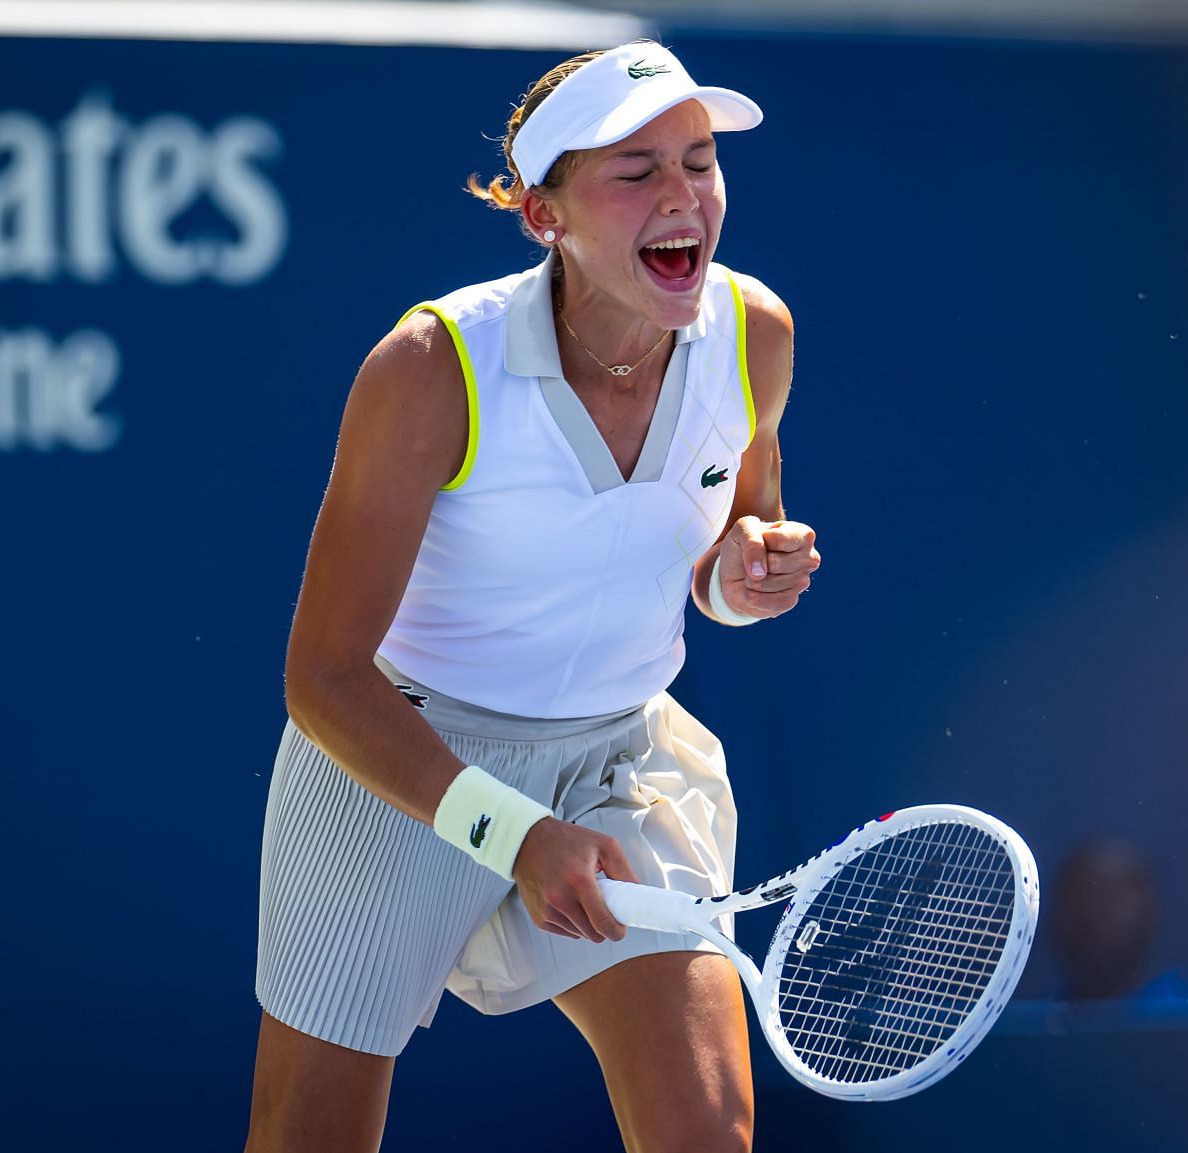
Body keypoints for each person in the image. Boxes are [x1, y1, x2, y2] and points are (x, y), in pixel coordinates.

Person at [242, 42, 817, 1153]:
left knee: (706, 1135)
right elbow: (321, 678)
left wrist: (744, 578)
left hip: (620, 761)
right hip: (400, 761)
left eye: (699, 162)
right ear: (544, 217)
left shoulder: (757, 336)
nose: (684, 196)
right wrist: (512, 833)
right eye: (636, 170)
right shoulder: (429, 368)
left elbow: (724, 549)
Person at [1048, 838, 1188, 1011]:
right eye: (1080, 902)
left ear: (1150, 912)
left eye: (1111, 901)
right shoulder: (1041, 1019)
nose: (1094, 917)